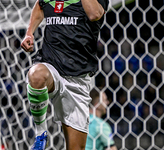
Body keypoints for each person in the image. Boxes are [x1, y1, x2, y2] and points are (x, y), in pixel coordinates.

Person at [21, 0, 109, 149]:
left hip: (78, 76)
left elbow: (95, 14)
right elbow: (40, 5)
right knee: (36, 75)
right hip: (52, 65)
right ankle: (41, 134)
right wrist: (29, 32)